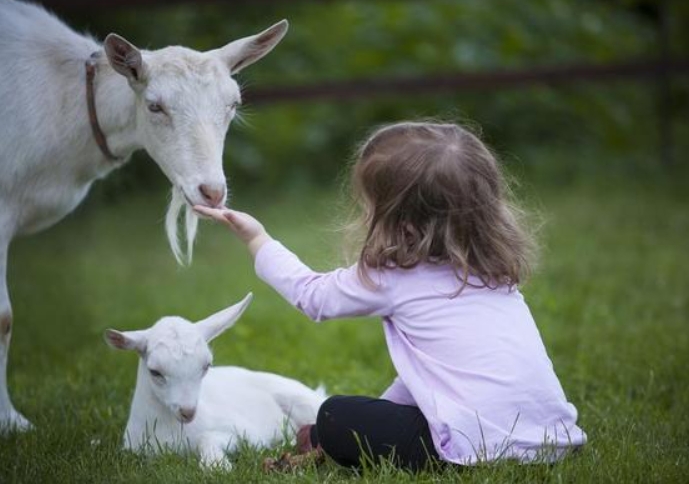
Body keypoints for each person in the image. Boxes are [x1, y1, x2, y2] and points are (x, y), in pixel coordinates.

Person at [194, 121, 586, 471]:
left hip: (475, 448)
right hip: (550, 439)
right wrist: (381, 411)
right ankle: (330, 439)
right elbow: (430, 378)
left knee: (334, 415)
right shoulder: (495, 276)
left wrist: (256, 238)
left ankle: (327, 440)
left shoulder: (395, 277)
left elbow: (312, 295)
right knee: (352, 417)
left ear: (399, 218)